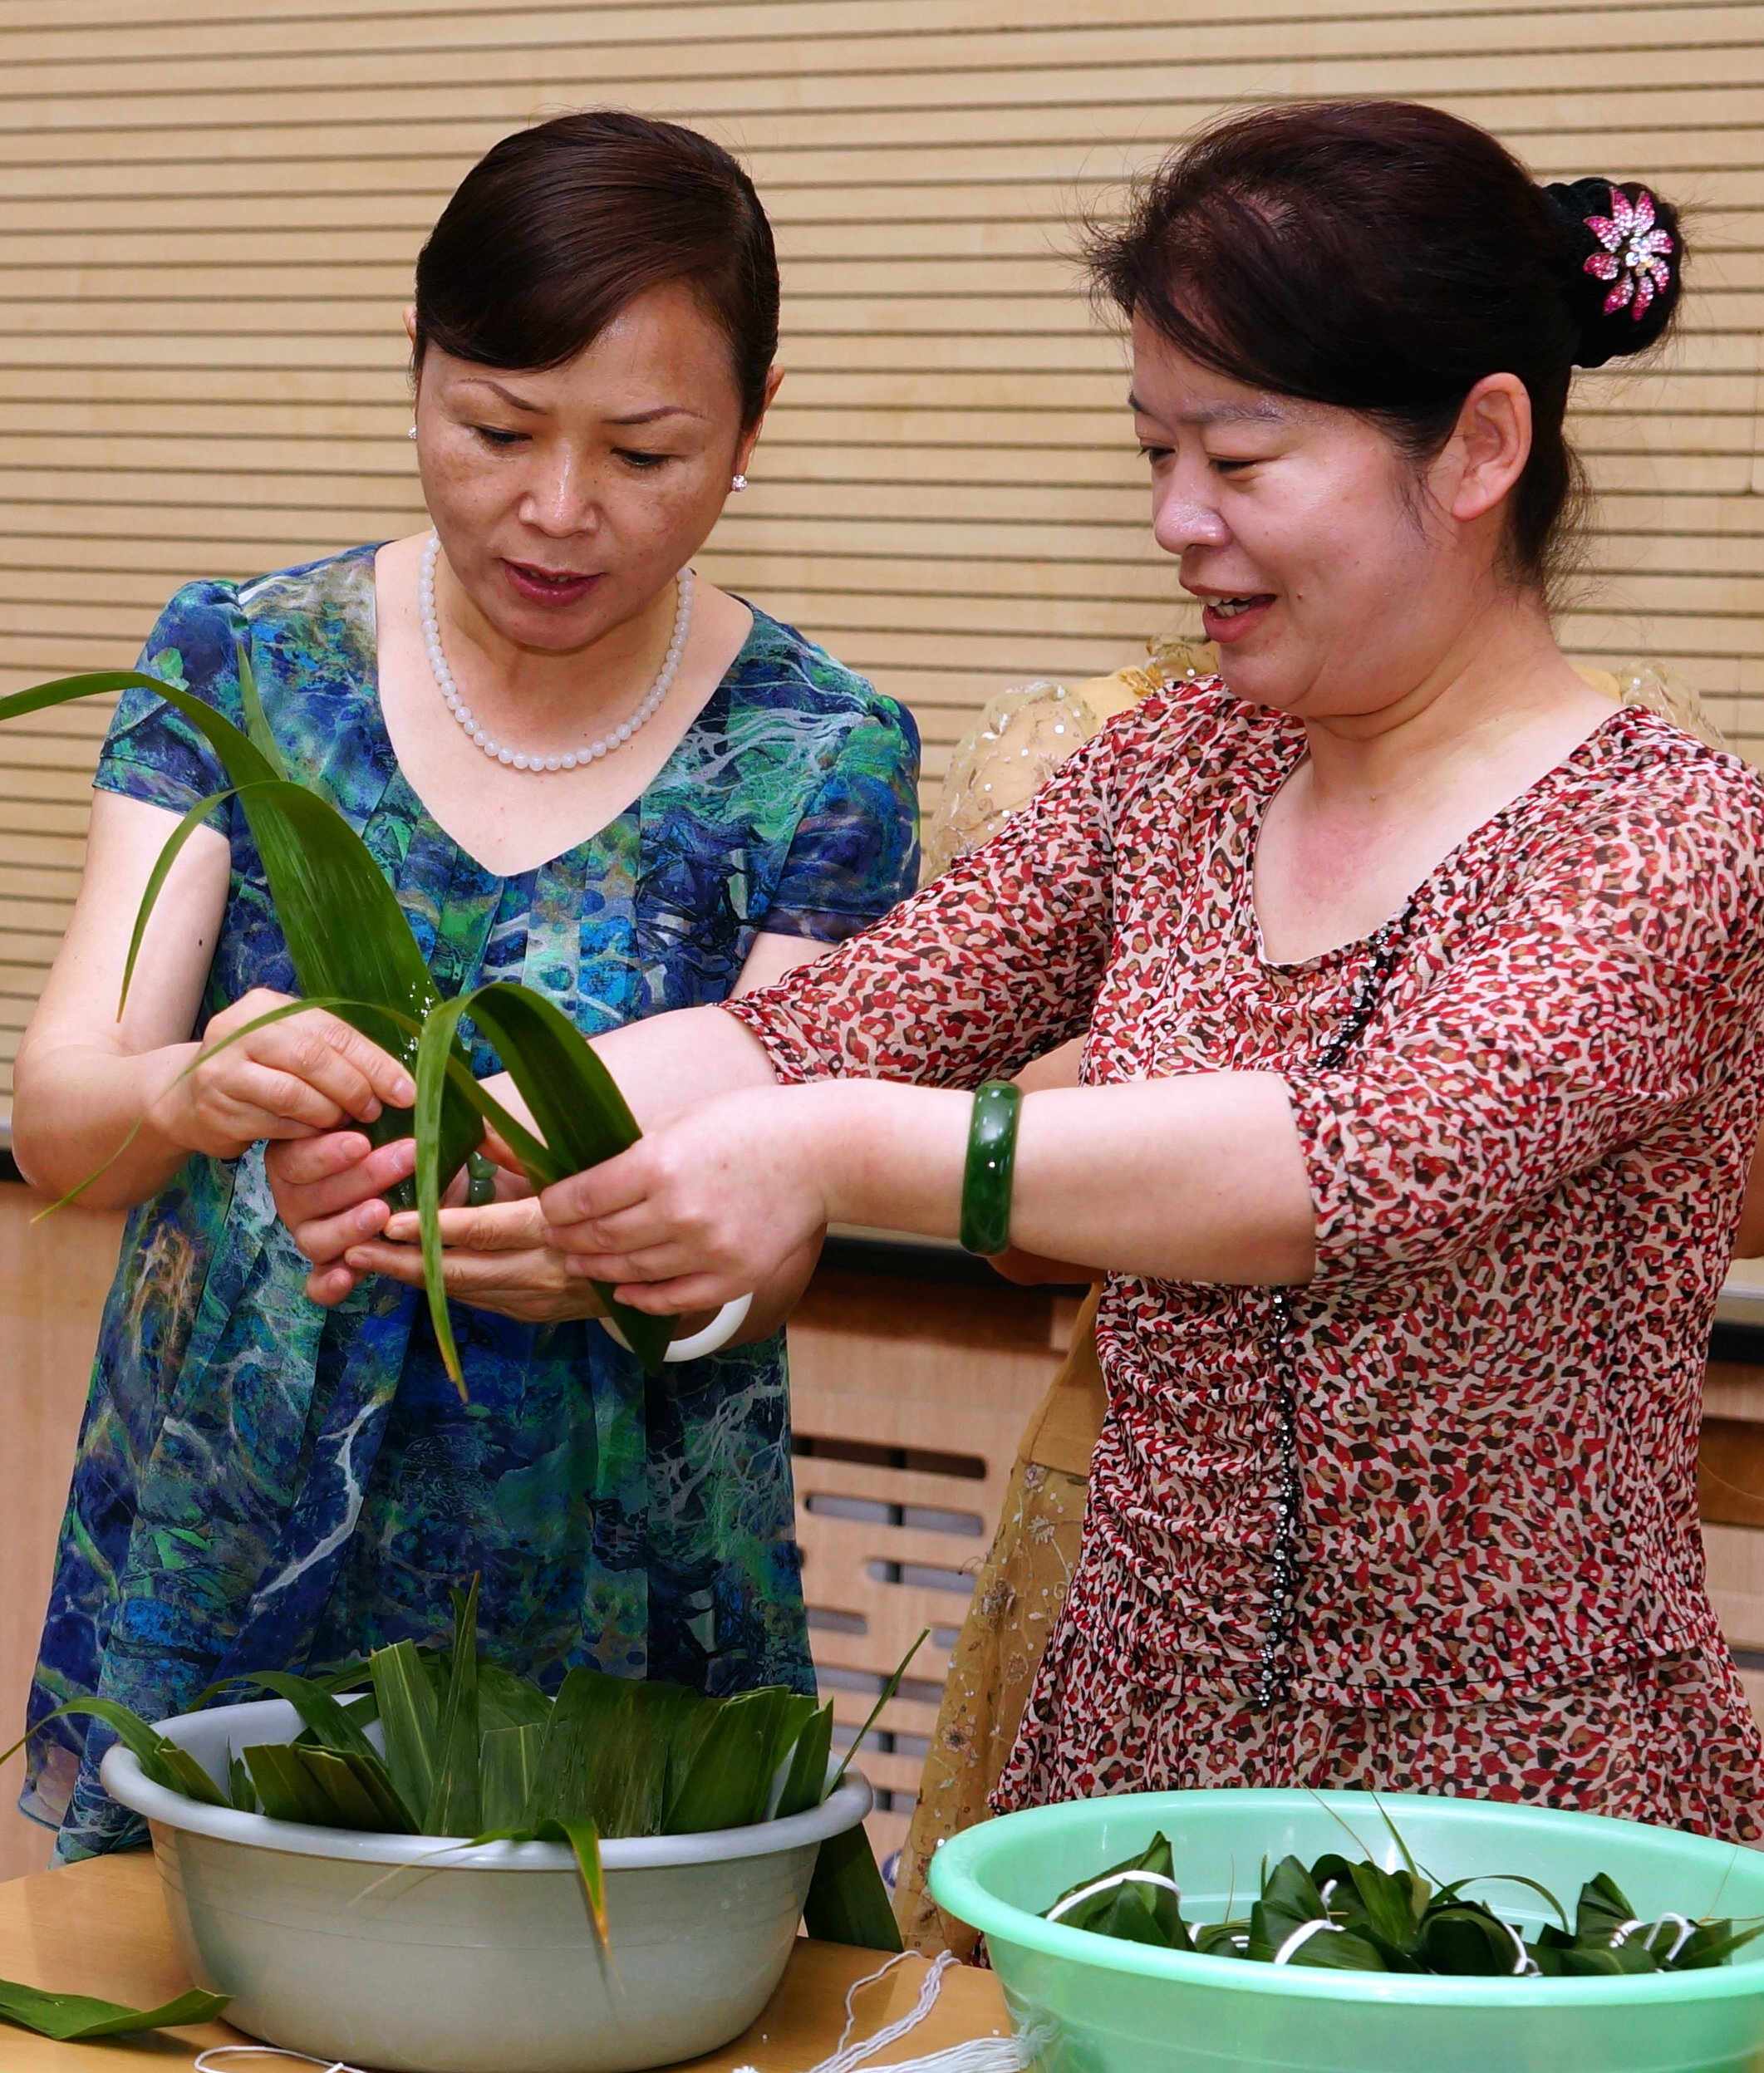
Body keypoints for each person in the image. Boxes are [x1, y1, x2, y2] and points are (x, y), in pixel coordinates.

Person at [278, 98, 1764, 1856]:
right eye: (1155, 454)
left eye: (1240, 459)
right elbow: (817, 1031)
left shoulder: (1665, 835)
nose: (1177, 520)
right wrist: (445, 1133)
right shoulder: (1178, 771)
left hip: (1519, 1795)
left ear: (1478, 446)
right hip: (1132, 1761)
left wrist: (847, 1153)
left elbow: (1361, 1162)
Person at [14, 110, 918, 1860]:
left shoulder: (823, 756)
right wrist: (186, 1091)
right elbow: (63, 1121)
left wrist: (630, 1273)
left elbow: (777, 1252)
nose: (557, 512)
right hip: (227, 1527)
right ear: (417, 367)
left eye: (645, 453)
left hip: (608, 1567)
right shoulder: (247, 666)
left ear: (755, 425)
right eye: (496, 428)